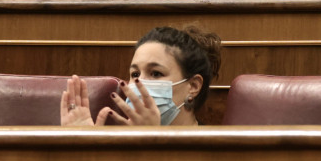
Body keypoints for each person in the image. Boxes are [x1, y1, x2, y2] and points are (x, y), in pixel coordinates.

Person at [60, 25, 220, 126]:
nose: (139, 83)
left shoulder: (218, 152)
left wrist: (148, 143)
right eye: (135, 74)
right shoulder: (115, 146)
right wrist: (85, 153)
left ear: (193, 86)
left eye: (156, 73)